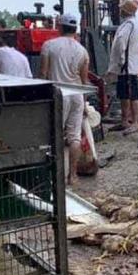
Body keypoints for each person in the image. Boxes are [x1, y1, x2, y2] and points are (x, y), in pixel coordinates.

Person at [39, 14, 90, 185]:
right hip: (76, 95)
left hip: (58, 94)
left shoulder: (49, 46)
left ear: (60, 27)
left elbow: (44, 74)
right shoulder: (82, 51)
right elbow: (84, 81)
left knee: (55, 137)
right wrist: (84, 103)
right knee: (74, 137)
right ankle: (72, 176)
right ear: (74, 29)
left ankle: (56, 177)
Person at [107, 0, 138, 135]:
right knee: (124, 93)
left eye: (122, 9)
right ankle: (124, 121)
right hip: (125, 66)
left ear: (126, 11)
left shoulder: (130, 24)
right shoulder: (128, 24)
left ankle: (134, 122)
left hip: (127, 66)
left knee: (132, 93)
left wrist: (121, 60)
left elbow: (121, 41)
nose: (120, 11)